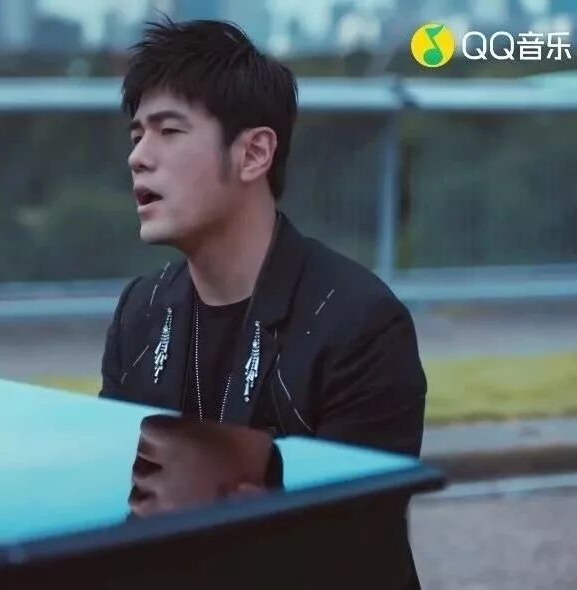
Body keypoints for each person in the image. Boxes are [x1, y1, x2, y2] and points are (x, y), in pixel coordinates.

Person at [99, 17, 427, 587]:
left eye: (168, 131)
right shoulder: (141, 312)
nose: (139, 157)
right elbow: (108, 496)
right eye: (136, 136)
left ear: (254, 154)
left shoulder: (358, 323)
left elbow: (354, 543)